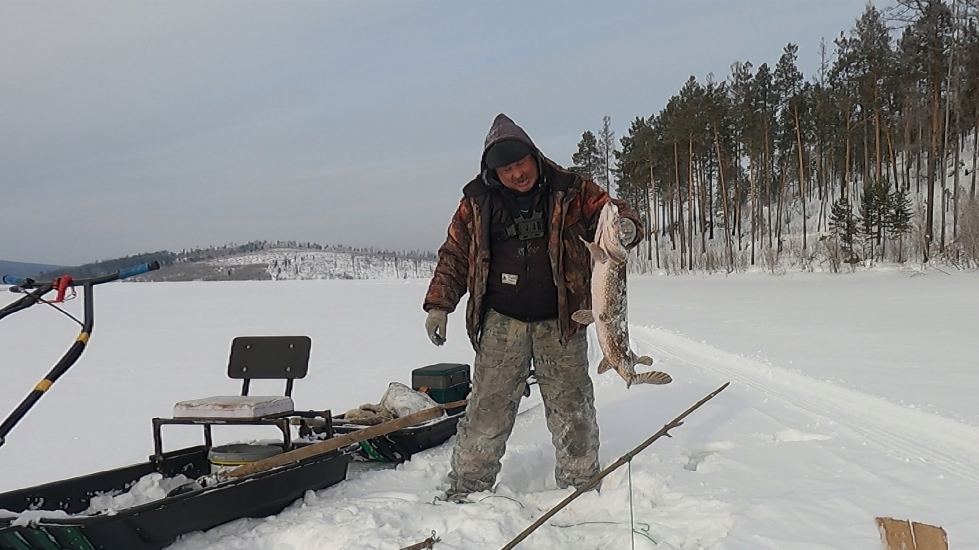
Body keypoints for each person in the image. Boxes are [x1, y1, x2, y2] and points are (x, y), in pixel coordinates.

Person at [422, 113, 643, 501]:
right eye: (506, 169)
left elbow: (616, 212)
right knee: (487, 410)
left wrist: (627, 227)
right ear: (494, 172)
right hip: (501, 322)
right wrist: (439, 304)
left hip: (561, 322)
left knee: (572, 409)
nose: (516, 174)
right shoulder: (477, 201)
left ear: (534, 156)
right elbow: (454, 254)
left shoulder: (572, 189)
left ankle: (580, 484)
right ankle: (467, 488)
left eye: (520, 163)